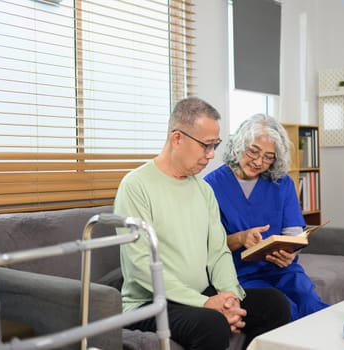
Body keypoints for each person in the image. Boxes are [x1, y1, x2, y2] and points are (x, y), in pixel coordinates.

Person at [114, 97, 291, 350]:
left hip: (198, 296)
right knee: (212, 323)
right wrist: (206, 303)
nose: (211, 156)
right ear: (177, 139)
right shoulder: (136, 186)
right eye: (206, 146)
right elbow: (142, 266)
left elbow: (217, 252)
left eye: (215, 146)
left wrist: (231, 297)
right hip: (151, 304)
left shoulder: (203, 189)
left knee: (275, 304)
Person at [204, 114, 329, 321]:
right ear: (238, 145)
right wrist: (241, 238)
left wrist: (290, 252)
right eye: (253, 151)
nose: (259, 161)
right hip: (240, 274)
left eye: (268, 157)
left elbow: (293, 233)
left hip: (283, 269)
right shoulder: (210, 186)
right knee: (286, 309)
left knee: (311, 303)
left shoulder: (283, 183)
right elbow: (206, 246)